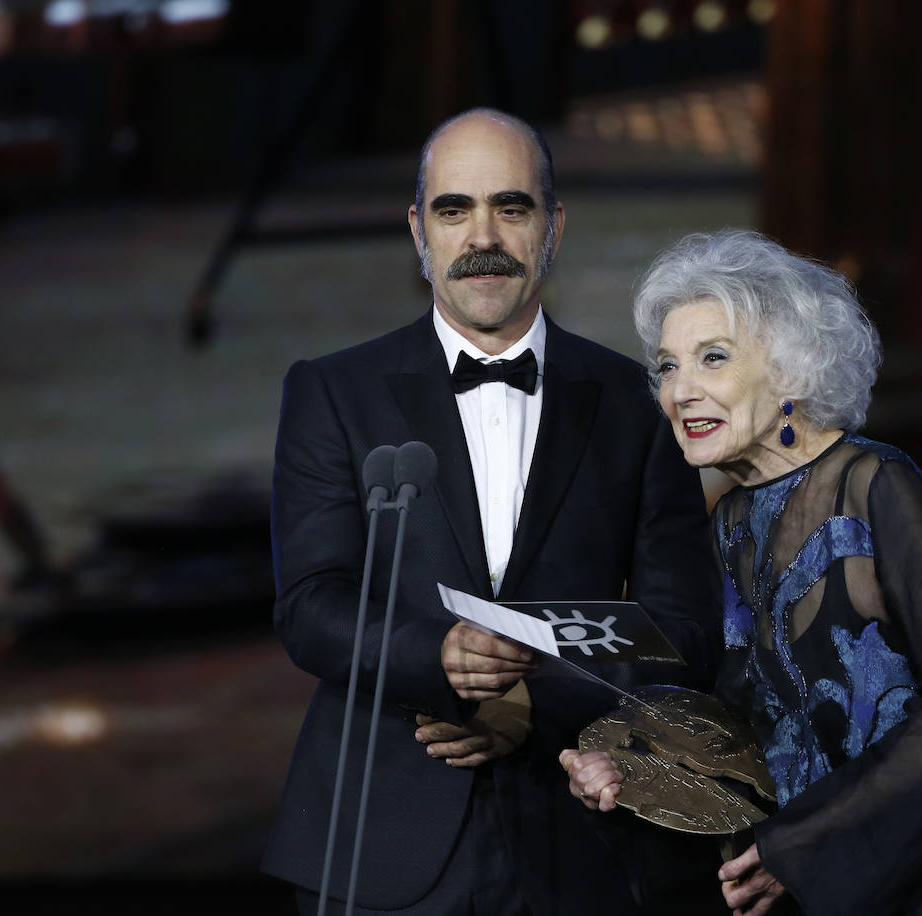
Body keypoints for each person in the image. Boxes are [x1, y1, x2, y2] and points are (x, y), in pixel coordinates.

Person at [261, 108, 725, 915]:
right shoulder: (333, 392)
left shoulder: (635, 401)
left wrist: (532, 699)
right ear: (418, 229)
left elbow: (683, 630)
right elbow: (310, 605)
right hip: (383, 836)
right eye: (453, 209)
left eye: (512, 207)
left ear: (553, 227)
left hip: (588, 834)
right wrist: (437, 660)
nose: (484, 235)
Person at [562, 229, 922, 915]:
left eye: (712, 359)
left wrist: (806, 845)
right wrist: (631, 767)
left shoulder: (876, 485)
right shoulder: (733, 520)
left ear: (788, 371)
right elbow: (751, 724)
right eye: (667, 367)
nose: (680, 392)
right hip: (838, 888)